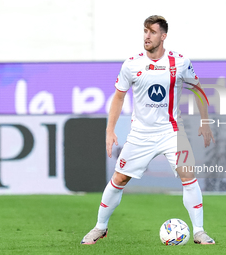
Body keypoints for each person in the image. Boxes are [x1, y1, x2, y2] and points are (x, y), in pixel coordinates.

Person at [81, 15, 215, 245]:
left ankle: (199, 231)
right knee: (119, 178)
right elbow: (119, 97)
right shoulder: (131, 64)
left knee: (188, 176)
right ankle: (99, 227)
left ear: (163, 36)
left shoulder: (180, 62)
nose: (147, 36)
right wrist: (110, 130)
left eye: (152, 32)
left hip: (172, 131)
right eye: (145, 31)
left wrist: (205, 121)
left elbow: (199, 90)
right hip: (141, 135)